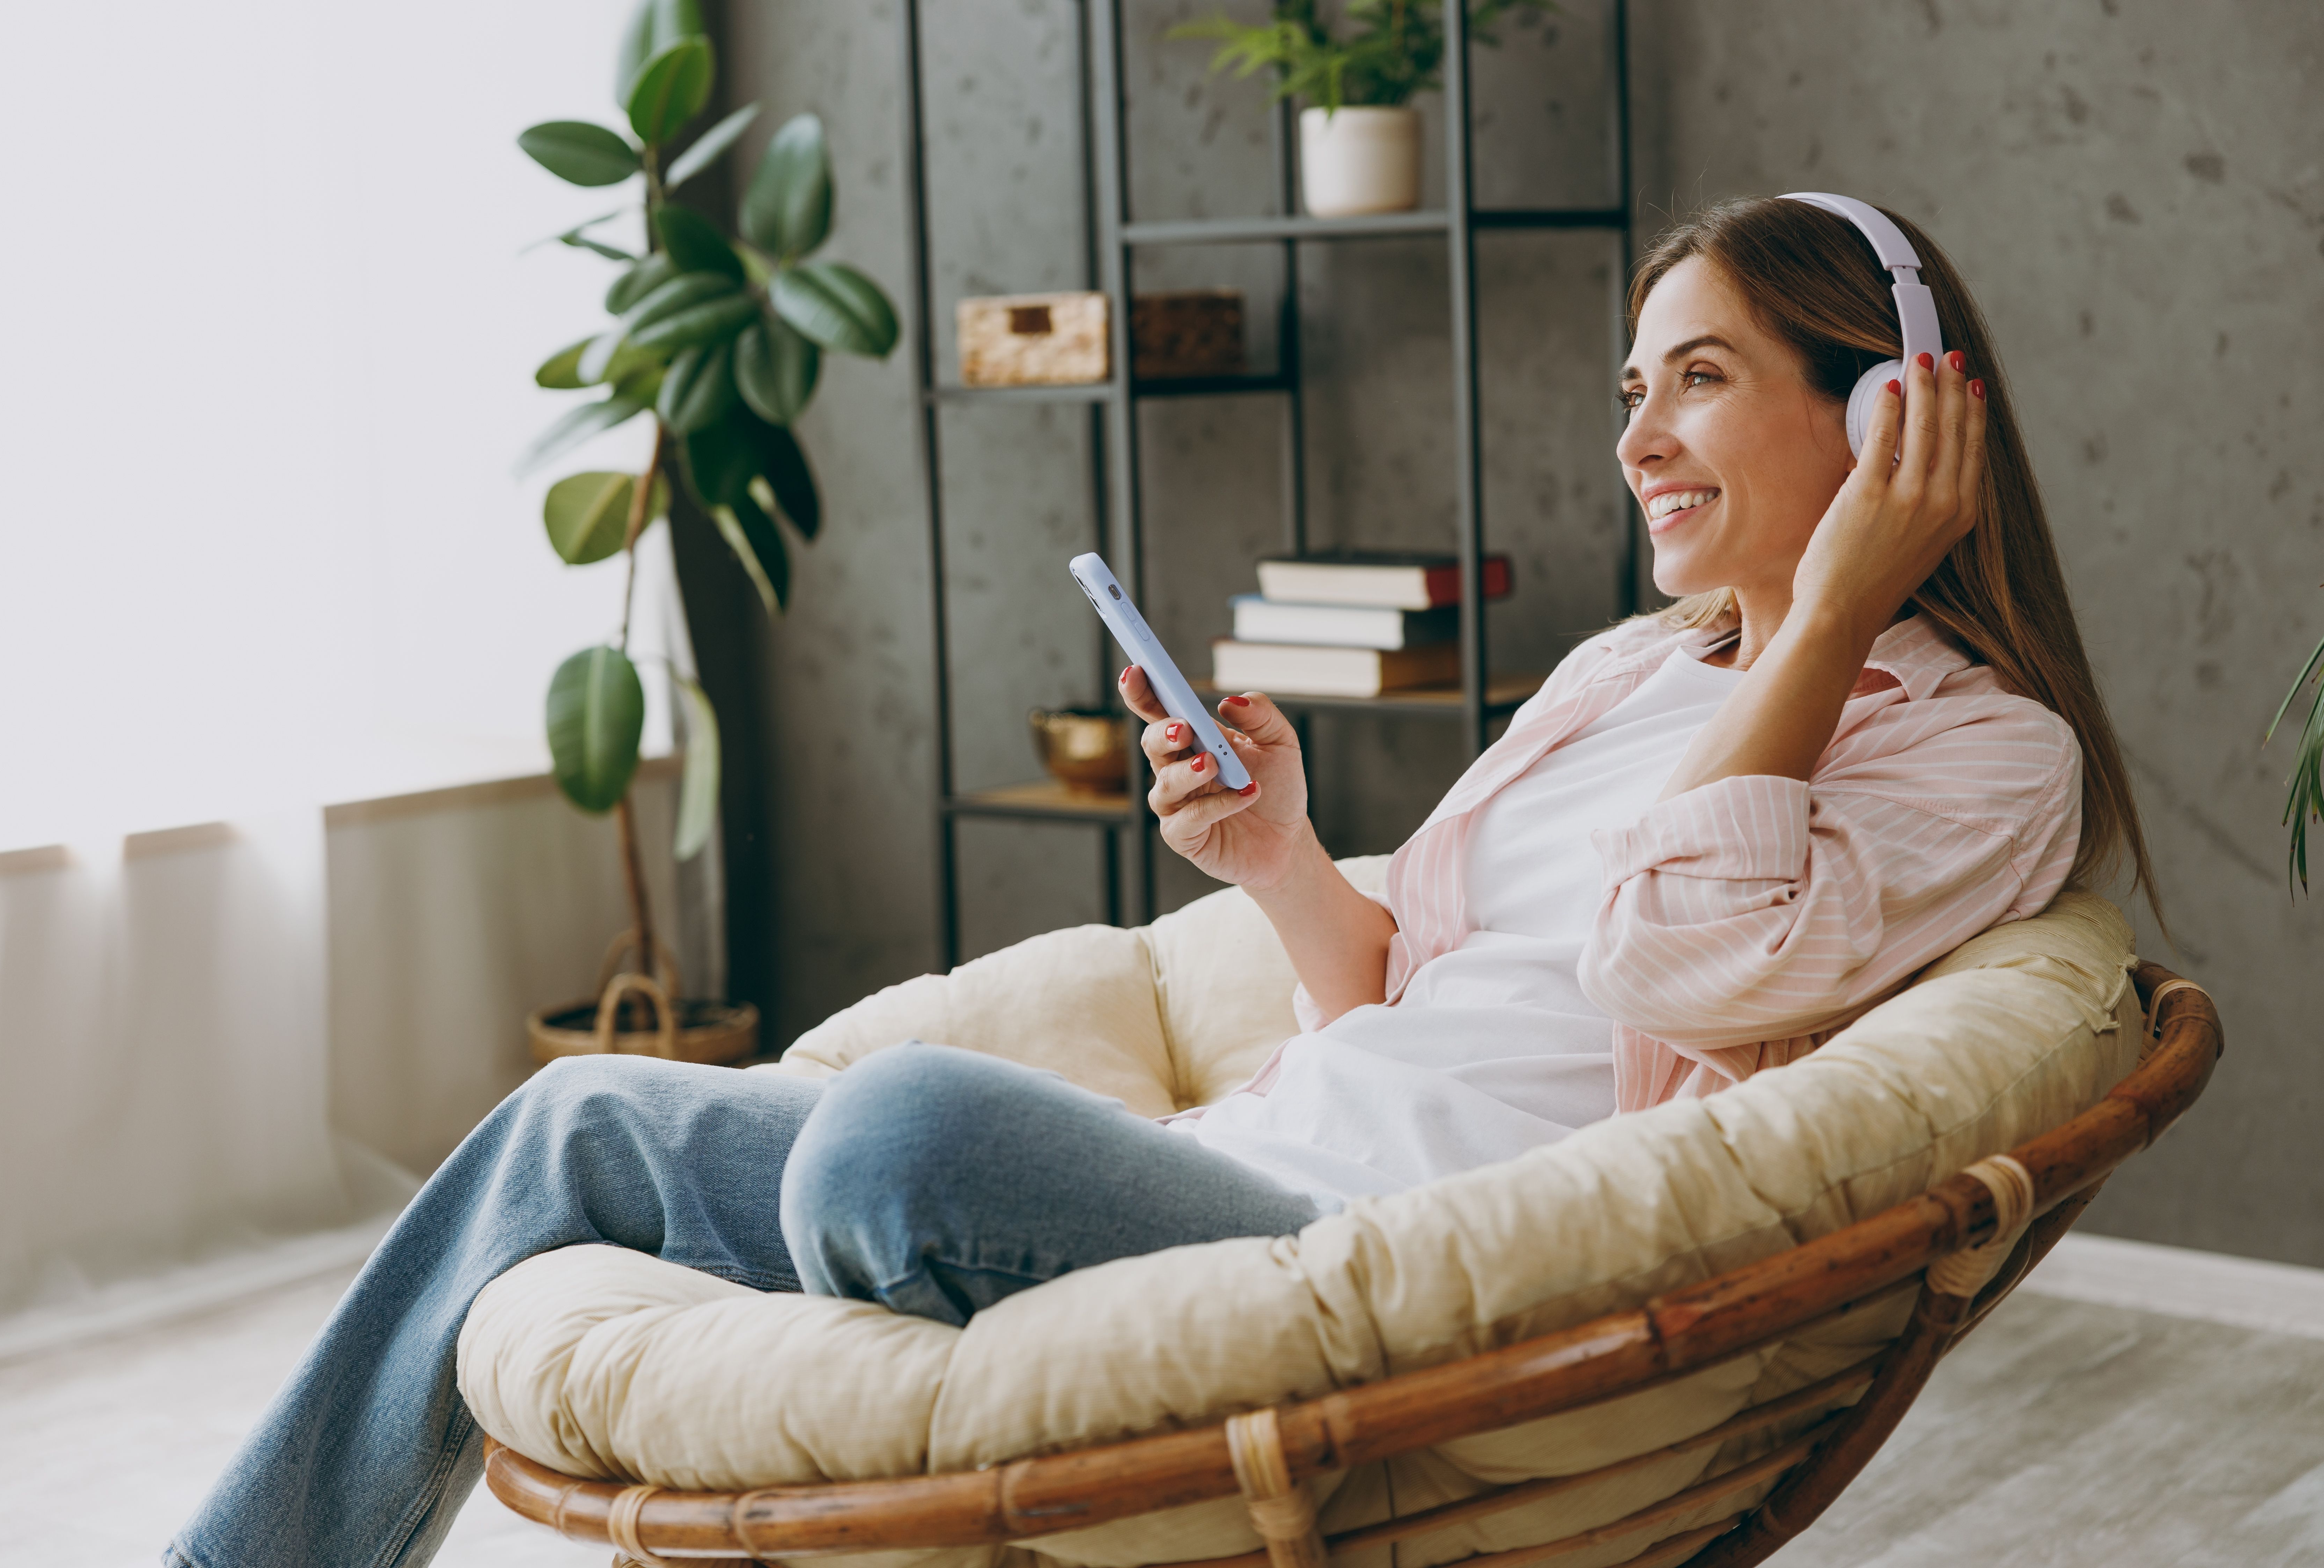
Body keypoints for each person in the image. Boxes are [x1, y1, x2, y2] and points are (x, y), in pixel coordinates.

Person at [165, 195, 2155, 1568]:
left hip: (1396, 1270)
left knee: (894, 1144)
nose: (1635, 435)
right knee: (573, 1115)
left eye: (1697, 378)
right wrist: (1279, 860)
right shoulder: (1629, 672)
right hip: (1269, 1172)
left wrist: (1830, 618)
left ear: (1891, 407)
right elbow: (1429, 1005)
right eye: (1630, 387)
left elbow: (1679, 951)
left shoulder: (1980, 750)